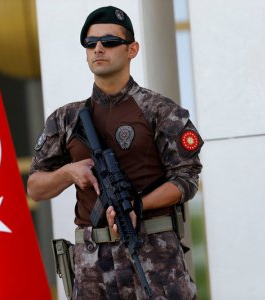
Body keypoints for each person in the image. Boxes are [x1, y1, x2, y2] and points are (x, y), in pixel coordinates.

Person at [28, 6, 203, 299]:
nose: (98, 48)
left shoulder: (160, 111)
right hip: (92, 266)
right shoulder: (66, 119)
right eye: (91, 43)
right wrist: (69, 172)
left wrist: (138, 205)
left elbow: (186, 179)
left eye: (109, 42)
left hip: (154, 258)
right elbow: (35, 187)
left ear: (132, 49)